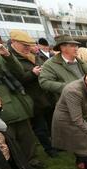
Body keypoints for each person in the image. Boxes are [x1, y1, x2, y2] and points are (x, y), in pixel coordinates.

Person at [0, 36, 47, 169]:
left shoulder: (2, 56)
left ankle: (31, 159)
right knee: (9, 138)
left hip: (17, 101)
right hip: (2, 105)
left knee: (27, 135)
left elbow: (18, 71)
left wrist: (7, 54)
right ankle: (17, 165)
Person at [8, 30, 58, 160]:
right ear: (13, 42)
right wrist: (33, 74)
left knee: (52, 123)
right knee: (40, 127)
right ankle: (49, 148)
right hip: (32, 99)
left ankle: (57, 144)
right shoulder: (10, 58)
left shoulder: (32, 54)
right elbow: (16, 80)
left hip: (45, 95)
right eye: (24, 45)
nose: (28, 47)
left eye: (28, 44)